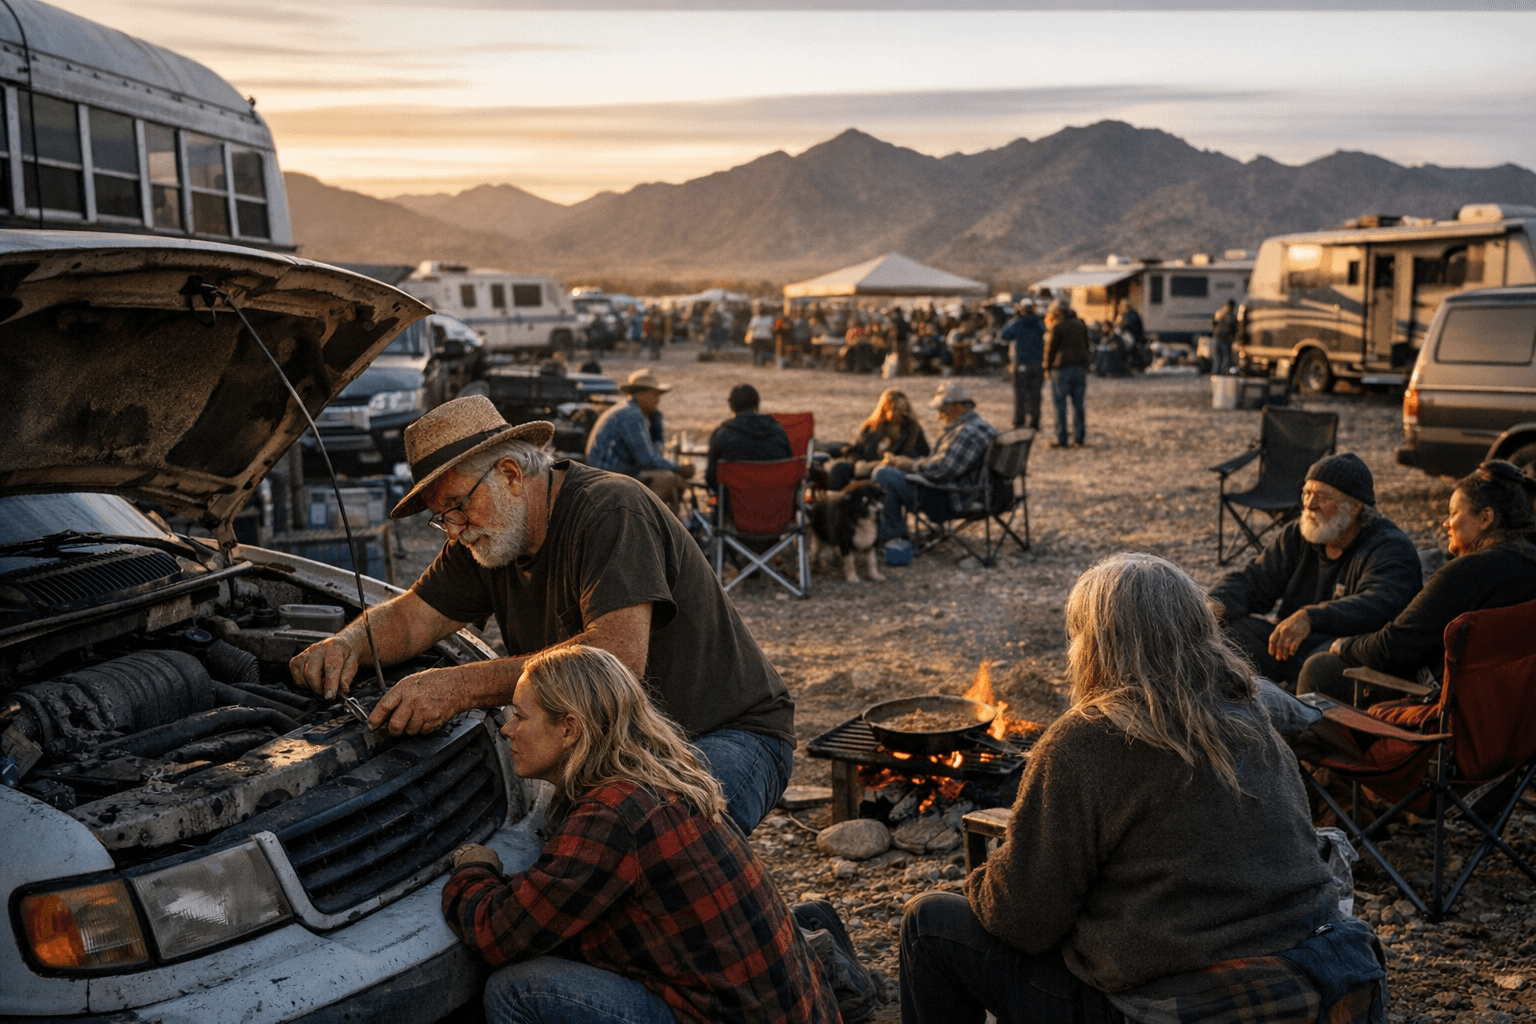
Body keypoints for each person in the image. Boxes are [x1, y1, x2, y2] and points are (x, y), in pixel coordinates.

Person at [899, 553, 1386, 1024]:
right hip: (1303, 967)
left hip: (1170, 999)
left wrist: (983, 882)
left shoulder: (1087, 738)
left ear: (1097, 644)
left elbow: (1025, 922)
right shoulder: (1250, 714)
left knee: (929, 923)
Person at [289, 396, 796, 833]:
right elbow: (410, 618)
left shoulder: (610, 509)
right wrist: (348, 645)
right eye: (441, 518)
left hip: (726, 733)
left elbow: (615, 659)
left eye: (457, 507)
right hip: (622, 752)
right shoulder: (487, 538)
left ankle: (801, 939)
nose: (455, 530)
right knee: (564, 864)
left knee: (664, 847)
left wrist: (458, 686)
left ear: (510, 474)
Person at [443, 645, 839, 1024]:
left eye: (521, 717)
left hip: (726, 1016)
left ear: (569, 729)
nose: (508, 730)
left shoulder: (612, 814)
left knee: (516, 992)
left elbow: (497, 932)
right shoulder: (653, 779)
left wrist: (474, 869)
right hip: (781, 1010)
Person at [1297, 460, 1536, 703]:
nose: (1446, 523)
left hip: (1448, 707)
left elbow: (1393, 649)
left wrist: (1344, 646)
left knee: (1320, 668)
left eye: (1453, 513)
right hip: (1515, 708)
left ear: (1486, 518)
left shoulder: (1465, 574)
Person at [1208, 453, 1422, 690]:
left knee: (1319, 664)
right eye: (1307, 494)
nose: (1309, 505)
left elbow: (1381, 603)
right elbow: (1254, 581)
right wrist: (1213, 606)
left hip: (1342, 654)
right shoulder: (1299, 534)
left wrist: (1311, 617)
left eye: (1322, 497)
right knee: (1221, 632)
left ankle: (1295, 712)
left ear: (1355, 507)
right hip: (1288, 647)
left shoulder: (1389, 546)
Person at [872, 381, 996, 545]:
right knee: (892, 473)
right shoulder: (981, 426)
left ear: (957, 408)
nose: (939, 416)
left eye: (942, 411)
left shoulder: (968, 433)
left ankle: (894, 537)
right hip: (969, 490)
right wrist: (914, 463)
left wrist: (909, 465)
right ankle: (894, 533)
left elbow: (943, 470)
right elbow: (947, 464)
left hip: (953, 497)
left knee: (884, 475)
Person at [585, 368, 695, 513]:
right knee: (667, 478)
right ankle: (639, 518)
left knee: (673, 480)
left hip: (612, 469)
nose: (658, 399)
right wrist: (677, 467)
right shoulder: (631, 415)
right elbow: (646, 459)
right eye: (654, 394)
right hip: (608, 472)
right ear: (640, 394)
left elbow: (653, 454)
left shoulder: (633, 412)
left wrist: (657, 427)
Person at [827, 388, 930, 492]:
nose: (900, 413)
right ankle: (834, 501)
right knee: (838, 468)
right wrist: (858, 462)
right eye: (895, 409)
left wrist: (893, 462)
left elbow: (923, 454)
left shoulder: (913, 429)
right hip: (866, 466)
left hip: (893, 468)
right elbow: (857, 449)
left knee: (881, 474)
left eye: (903, 409)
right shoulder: (871, 426)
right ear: (884, 409)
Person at [704, 383, 793, 488]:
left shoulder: (721, 434)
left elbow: (711, 478)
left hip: (735, 503)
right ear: (757, 405)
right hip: (777, 502)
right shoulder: (778, 431)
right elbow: (790, 469)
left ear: (732, 407)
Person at [1043, 300, 1091, 448]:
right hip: (1079, 369)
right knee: (1079, 406)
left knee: (1060, 405)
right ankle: (1079, 438)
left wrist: (1047, 367)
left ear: (1057, 311)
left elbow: (1051, 349)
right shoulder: (1080, 324)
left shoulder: (1057, 326)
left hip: (1061, 369)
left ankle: (1061, 438)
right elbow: (1087, 346)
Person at [1000, 301, 1045, 431]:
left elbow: (1004, 335)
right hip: (1037, 363)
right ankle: (1034, 422)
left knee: (1020, 393)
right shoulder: (1039, 323)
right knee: (1035, 394)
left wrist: (1015, 318)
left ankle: (1019, 421)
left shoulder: (1017, 322)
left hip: (1021, 362)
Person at [1211, 299, 1238, 376]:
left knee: (1217, 357)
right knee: (1226, 357)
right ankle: (1223, 372)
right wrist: (1234, 337)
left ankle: (1215, 372)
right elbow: (1233, 328)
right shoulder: (1230, 316)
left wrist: (1215, 331)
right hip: (1226, 338)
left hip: (1217, 337)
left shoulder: (1219, 313)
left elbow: (1213, 322)